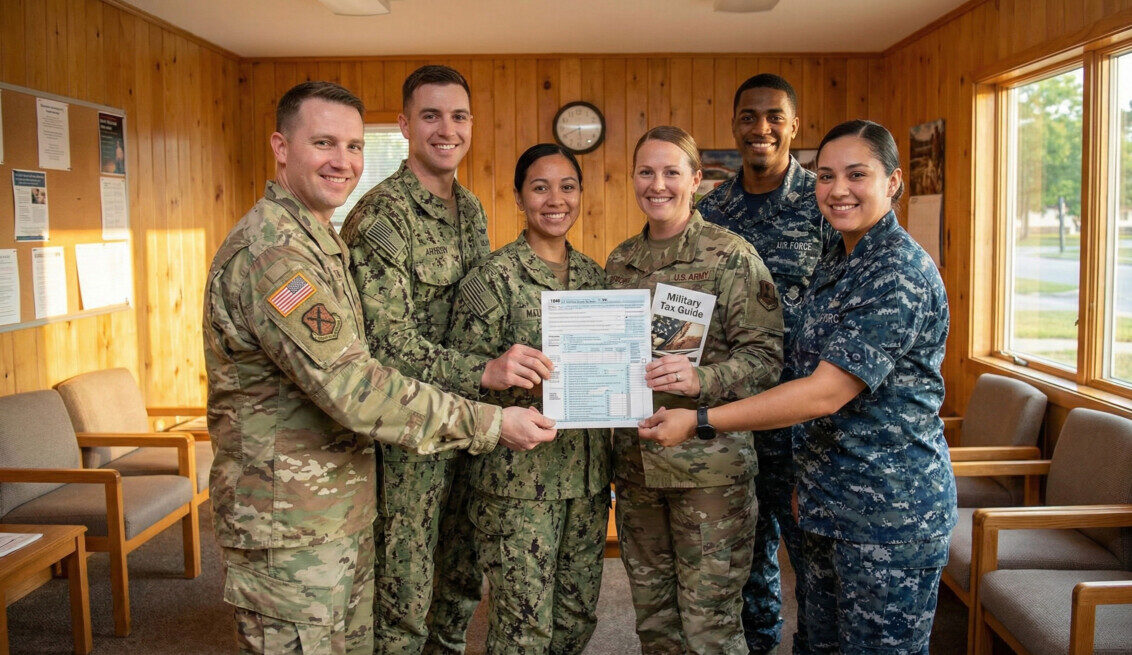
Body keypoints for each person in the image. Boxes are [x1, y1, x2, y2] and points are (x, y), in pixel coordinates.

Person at [203, 81, 556, 655]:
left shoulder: (318, 240)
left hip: (335, 509)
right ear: (281, 146)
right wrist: (491, 422)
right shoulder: (276, 256)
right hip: (289, 525)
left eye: (353, 146)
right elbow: (354, 385)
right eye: (323, 143)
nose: (342, 161)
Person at [639, 120, 957, 654]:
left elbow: (822, 393)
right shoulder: (840, 258)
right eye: (826, 175)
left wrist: (700, 418)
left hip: (888, 515)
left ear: (894, 181)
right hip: (828, 502)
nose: (838, 190)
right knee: (817, 644)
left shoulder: (896, 272)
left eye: (857, 175)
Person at [340, 66, 553, 655]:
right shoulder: (382, 217)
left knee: (460, 579)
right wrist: (482, 373)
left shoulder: (472, 210)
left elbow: (481, 317)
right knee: (404, 593)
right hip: (410, 437)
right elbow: (384, 346)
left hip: (473, 431)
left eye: (458, 116)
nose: (446, 129)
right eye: (430, 115)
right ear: (405, 125)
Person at [605, 125, 784, 655]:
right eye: (645, 171)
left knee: (710, 627)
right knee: (655, 621)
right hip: (637, 471)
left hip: (711, 472)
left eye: (670, 172)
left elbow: (766, 360)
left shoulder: (731, 257)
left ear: (696, 180)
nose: (656, 184)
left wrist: (703, 379)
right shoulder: (619, 262)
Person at [446, 144, 611, 655]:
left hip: (585, 480)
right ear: (520, 197)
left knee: (576, 618)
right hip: (518, 487)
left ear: (581, 194)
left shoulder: (596, 280)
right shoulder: (491, 279)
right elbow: (456, 380)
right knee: (522, 628)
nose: (555, 199)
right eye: (540, 187)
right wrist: (515, 386)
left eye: (567, 186)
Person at [696, 73, 839, 654]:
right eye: (749, 117)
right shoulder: (713, 208)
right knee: (745, 564)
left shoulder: (825, 203)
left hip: (806, 420)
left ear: (795, 125)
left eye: (775, 116)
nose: (762, 128)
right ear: (733, 125)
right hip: (733, 415)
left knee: (816, 568)